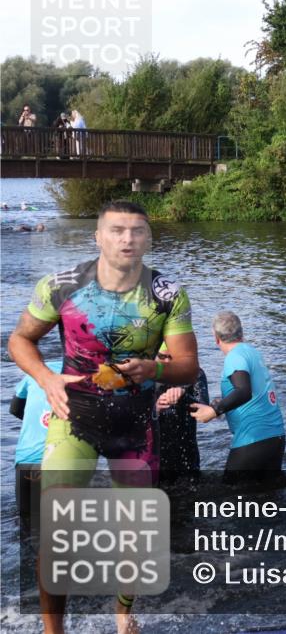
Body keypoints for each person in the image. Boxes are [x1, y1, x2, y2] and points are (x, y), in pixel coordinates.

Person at [7, 199, 199, 634]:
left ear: (149, 239)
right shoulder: (62, 285)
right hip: (73, 420)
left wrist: (154, 369)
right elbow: (20, 340)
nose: (127, 238)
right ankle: (53, 632)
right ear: (98, 237)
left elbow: (188, 364)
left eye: (136, 230)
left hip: (135, 427)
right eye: (116, 230)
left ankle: (122, 611)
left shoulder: (168, 294)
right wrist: (45, 379)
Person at [190, 311, 285, 482]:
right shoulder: (253, 353)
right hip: (275, 438)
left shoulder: (235, 357)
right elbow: (252, 391)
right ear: (242, 333)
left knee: (231, 500)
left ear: (216, 338)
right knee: (269, 499)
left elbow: (243, 391)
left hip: (252, 440)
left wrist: (214, 410)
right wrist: (223, 405)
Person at [9, 360, 62, 521]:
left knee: (26, 530)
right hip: (63, 463)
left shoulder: (35, 372)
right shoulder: (88, 376)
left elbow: (15, 409)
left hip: (27, 461)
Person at [154, 343, 207, 483]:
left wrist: (184, 396)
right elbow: (132, 420)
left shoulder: (195, 374)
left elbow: (204, 411)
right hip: (156, 457)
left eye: (172, 357)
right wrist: (155, 409)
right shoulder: (146, 379)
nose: (166, 362)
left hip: (187, 454)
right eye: (162, 357)